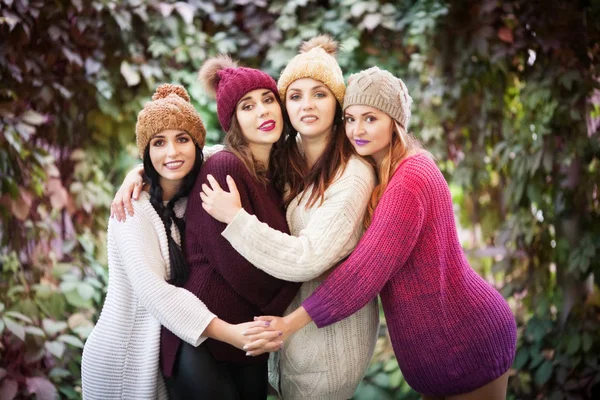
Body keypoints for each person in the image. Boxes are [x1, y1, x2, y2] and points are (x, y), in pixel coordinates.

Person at [244, 67, 518, 400]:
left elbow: (365, 271)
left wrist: (288, 325)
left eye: (370, 119)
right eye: (350, 119)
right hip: (437, 355)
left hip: (466, 339)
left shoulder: (410, 177)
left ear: (394, 122)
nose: (357, 130)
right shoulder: (380, 173)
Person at [199, 36, 379, 400]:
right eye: (295, 96)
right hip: (284, 347)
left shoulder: (352, 174)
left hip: (328, 351)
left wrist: (236, 219)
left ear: (337, 102)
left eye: (320, 94)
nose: (307, 105)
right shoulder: (289, 157)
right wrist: (145, 172)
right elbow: (235, 148)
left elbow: (308, 258)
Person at [81, 84, 279, 400]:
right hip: (125, 355)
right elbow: (156, 293)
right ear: (146, 152)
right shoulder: (133, 211)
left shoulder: (189, 197)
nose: (172, 152)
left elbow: (224, 153)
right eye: (159, 143)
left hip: (166, 343)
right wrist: (230, 334)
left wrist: (138, 170)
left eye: (182, 139)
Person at [159, 56, 301, 400]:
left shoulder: (274, 177)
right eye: (247, 106)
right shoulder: (223, 168)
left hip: (248, 342)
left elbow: (268, 267)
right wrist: (296, 279)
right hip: (202, 340)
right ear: (233, 120)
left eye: (268, 100)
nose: (263, 112)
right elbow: (244, 274)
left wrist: (287, 283)